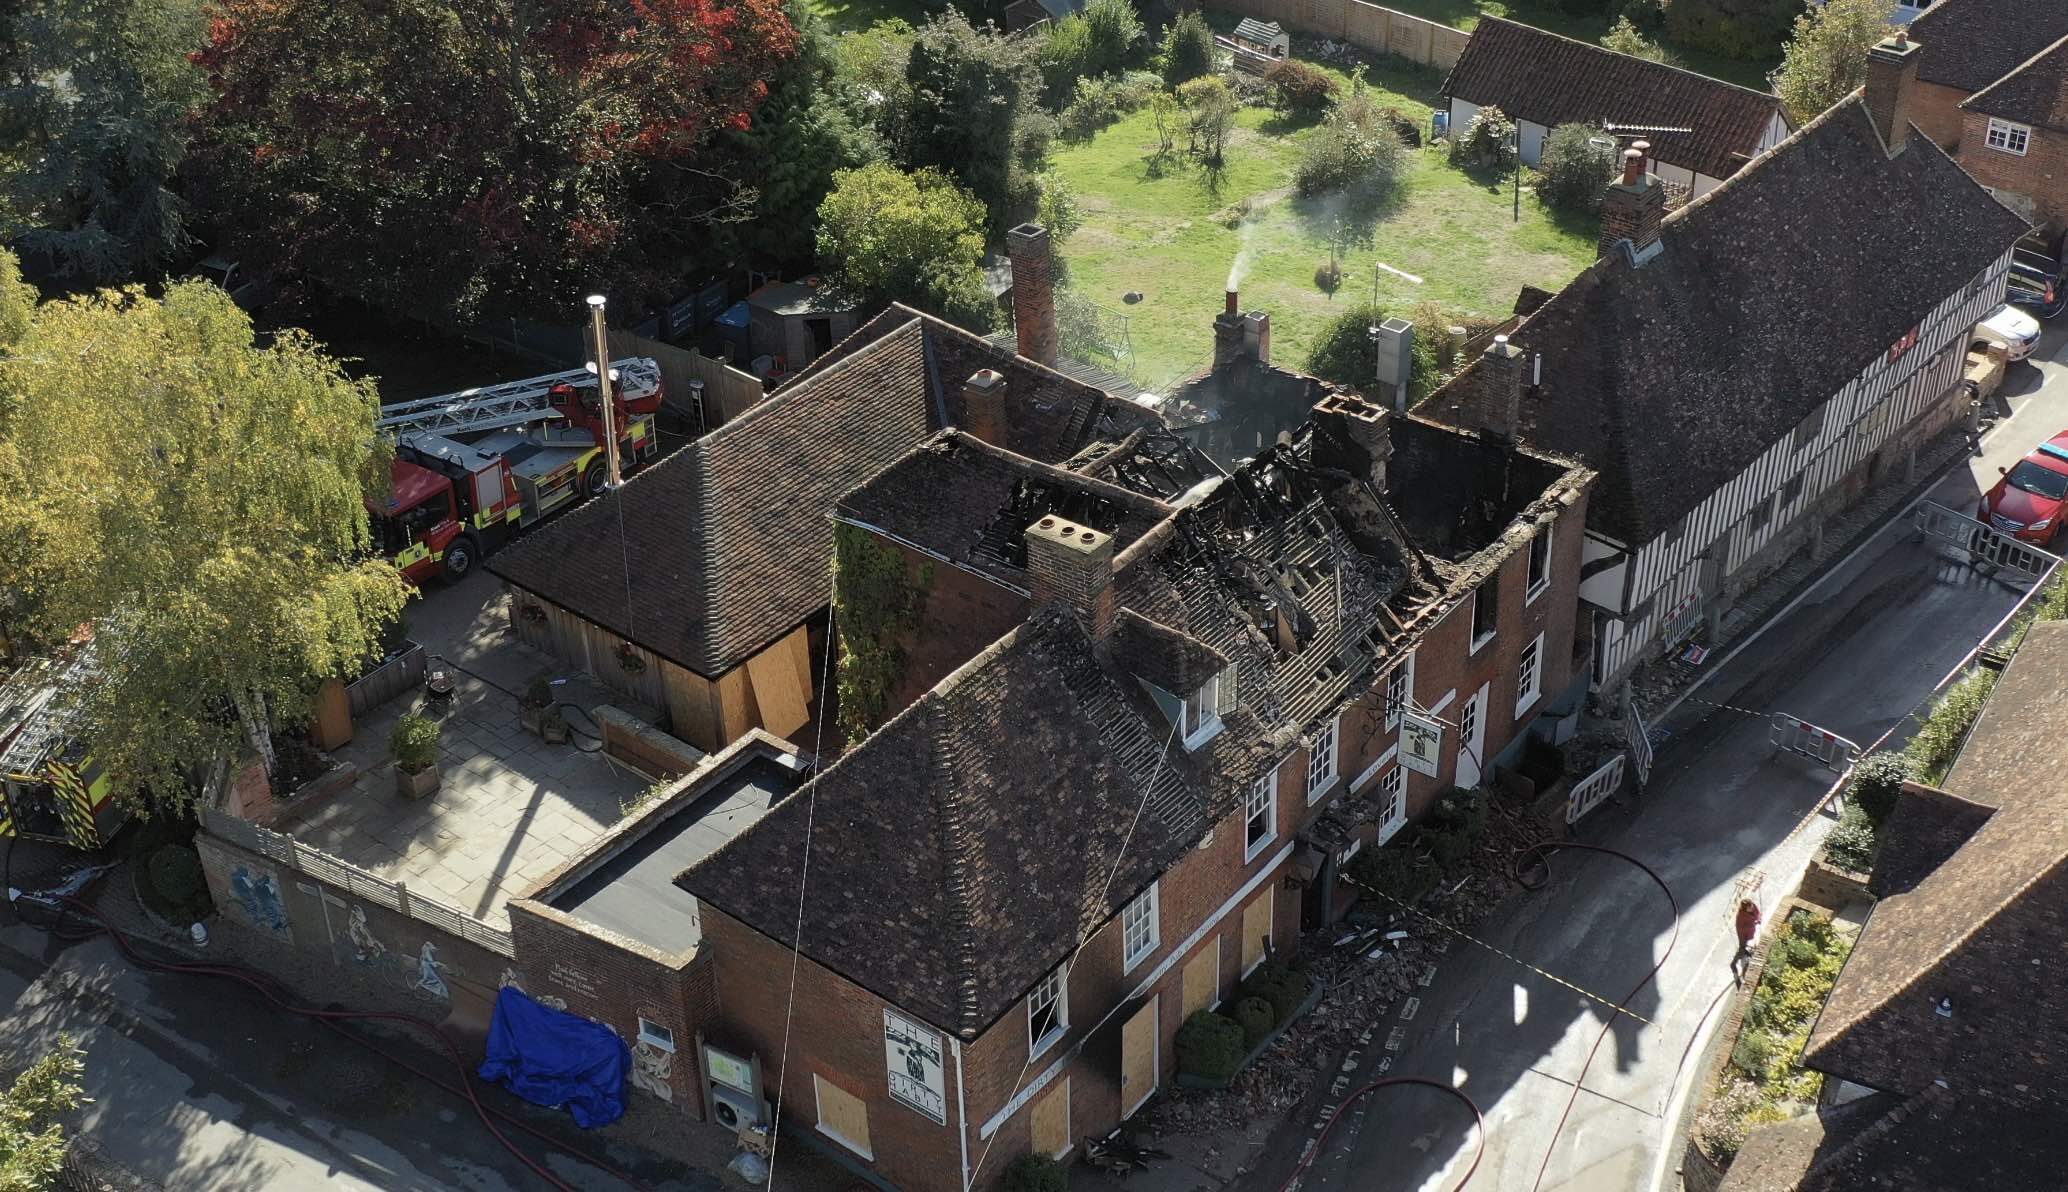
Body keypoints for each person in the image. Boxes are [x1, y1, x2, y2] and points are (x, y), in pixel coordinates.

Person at [1733, 898, 1763, 983]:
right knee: (1744, 947)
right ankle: (1743, 954)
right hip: (1745, 935)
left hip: (1752, 932)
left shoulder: (1753, 907)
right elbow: (1741, 928)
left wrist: (1758, 920)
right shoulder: (1741, 916)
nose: (1751, 908)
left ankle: (1748, 951)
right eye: (1749, 908)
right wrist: (1754, 923)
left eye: (1751, 906)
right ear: (1745, 908)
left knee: (1752, 944)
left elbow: (1758, 914)